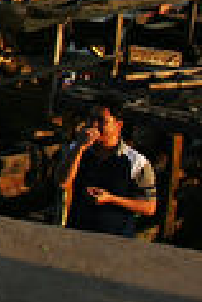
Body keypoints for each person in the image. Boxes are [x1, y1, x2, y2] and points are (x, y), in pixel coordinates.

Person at [58, 99, 157, 237]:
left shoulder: (136, 162)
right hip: (77, 233)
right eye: (91, 119)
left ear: (118, 125)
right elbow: (62, 182)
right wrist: (79, 148)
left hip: (116, 239)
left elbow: (149, 207)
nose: (94, 125)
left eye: (101, 121)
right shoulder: (76, 150)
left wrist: (111, 199)